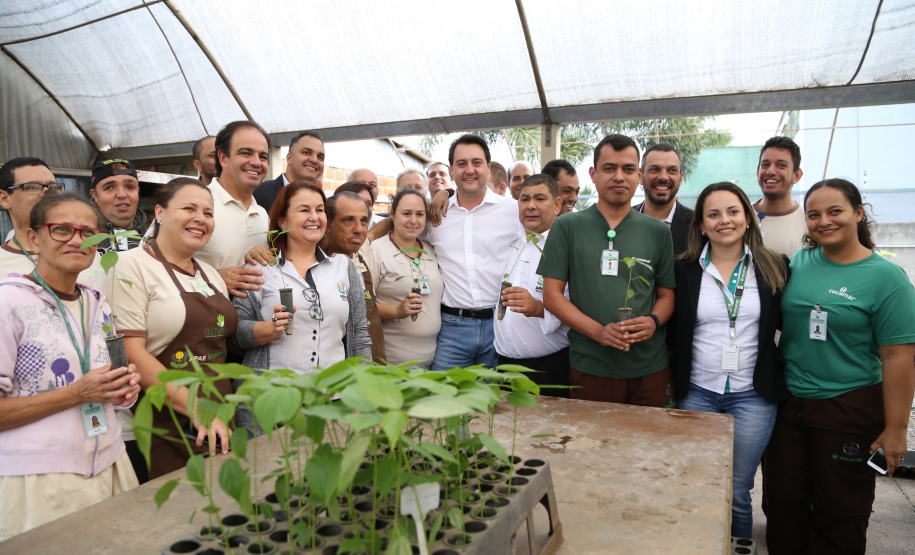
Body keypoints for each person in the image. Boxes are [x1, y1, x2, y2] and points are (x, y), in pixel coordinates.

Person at [764, 178, 915, 555]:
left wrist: (896, 428)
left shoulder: (887, 279)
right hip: (791, 405)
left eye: (835, 211)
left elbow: (898, 356)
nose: (823, 221)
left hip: (849, 407)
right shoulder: (798, 263)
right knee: (782, 500)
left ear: (858, 213)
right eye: (814, 214)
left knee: (840, 508)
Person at [0, 193, 141, 540]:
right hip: (39, 480)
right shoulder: (9, 302)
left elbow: (104, 383)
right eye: (62, 229)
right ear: (34, 238)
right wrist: (77, 393)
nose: (78, 240)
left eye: (89, 232)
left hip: (111, 465)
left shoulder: (97, 304)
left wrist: (123, 391)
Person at [668, 182, 789, 539]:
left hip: (752, 396)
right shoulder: (684, 271)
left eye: (733, 211)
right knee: (698, 483)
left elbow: (787, 324)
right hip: (697, 393)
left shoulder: (774, 267)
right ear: (702, 225)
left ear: (747, 219)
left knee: (737, 490)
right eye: (714, 214)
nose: (725, 220)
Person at [539, 134, 676, 408]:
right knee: (595, 446)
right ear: (593, 173)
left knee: (652, 444)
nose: (619, 177)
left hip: (650, 366)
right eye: (609, 168)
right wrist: (598, 332)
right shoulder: (567, 227)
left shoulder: (658, 231)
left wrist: (653, 321)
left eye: (627, 169)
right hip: (591, 364)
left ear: (638, 175)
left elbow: (666, 296)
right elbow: (552, 296)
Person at [112, 178, 236, 479]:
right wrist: (194, 408)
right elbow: (130, 351)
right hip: (166, 416)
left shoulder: (210, 274)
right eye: (189, 208)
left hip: (218, 413)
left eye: (208, 213)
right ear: (160, 212)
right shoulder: (130, 265)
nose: (200, 218)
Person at [233, 182, 370, 431]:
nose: (314, 217)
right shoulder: (259, 267)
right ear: (282, 220)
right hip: (271, 400)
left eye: (320, 210)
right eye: (304, 210)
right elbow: (238, 331)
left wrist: (362, 391)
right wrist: (268, 328)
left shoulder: (343, 266)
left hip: (334, 399)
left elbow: (359, 335)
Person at [425, 135, 522, 370]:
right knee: (445, 402)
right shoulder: (434, 214)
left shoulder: (513, 211)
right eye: (461, 164)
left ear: (488, 167)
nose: (470, 170)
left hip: (501, 324)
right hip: (451, 329)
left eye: (477, 163)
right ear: (451, 170)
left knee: (497, 404)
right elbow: (399, 224)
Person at [495, 175, 570, 397]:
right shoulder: (513, 242)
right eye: (524, 199)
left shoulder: (566, 246)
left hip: (547, 368)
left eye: (539, 198)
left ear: (557, 205)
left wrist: (538, 308)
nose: (531, 206)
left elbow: (580, 307)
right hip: (504, 367)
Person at [366, 188, 444, 368]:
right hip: (392, 362)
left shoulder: (430, 249)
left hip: (431, 362)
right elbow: (362, 304)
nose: (413, 221)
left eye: (420, 214)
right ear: (392, 214)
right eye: (406, 214)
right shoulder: (377, 250)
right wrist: (396, 310)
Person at [197, 120, 272, 298]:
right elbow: (151, 266)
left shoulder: (262, 214)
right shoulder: (194, 203)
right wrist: (215, 279)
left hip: (250, 324)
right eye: (246, 153)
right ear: (223, 158)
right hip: (203, 322)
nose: (256, 162)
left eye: (263, 157)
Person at [321, 189, 385, 364]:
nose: (359, 230)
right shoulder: (315, 267)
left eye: (364, 221)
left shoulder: (359, 256)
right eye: (348, 220)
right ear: (328, 224)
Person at [633, 144, 694, 256]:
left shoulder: (697, 225)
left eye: (671, 171)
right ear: (640, 176)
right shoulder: (622, 222)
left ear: (680, 179)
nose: (663, 177)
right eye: (655, 170)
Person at [753, 136, 807, 256]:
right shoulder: (742, 217)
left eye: (781, 165)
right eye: (765, 165)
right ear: (758, 173)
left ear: (796, 175)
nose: (770, 171)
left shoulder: (808, 222)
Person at [253, 131, 324, 212]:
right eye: (306, 152)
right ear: (289, 158)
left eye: (320, 157)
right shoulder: (260, 193)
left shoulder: (321, 201)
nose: (315, 160)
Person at [89, 158, 147, 252]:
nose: (122, 195)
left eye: (129, 187)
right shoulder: (82, 237)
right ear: (95, 195)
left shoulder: (155, 238)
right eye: (109, 187)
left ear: (137, 191)